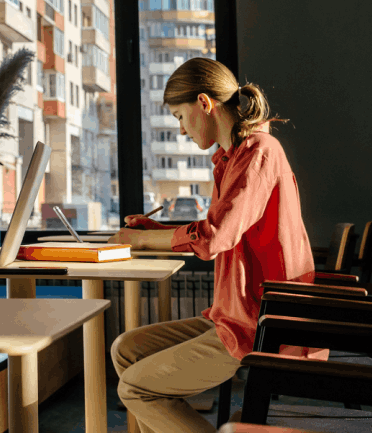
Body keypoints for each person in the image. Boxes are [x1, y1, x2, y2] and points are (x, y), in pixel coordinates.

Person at [107, 57, 322, 433]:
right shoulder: (230, 158)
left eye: (179, 116)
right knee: (126, 349)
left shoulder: (260, 152)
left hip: (261, 326)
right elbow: (219, 229)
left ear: (204, 104)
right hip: (235, 314)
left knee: (137, 390)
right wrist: (156, 229)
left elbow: (215, 238)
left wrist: (141, 238)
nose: (180, 128)